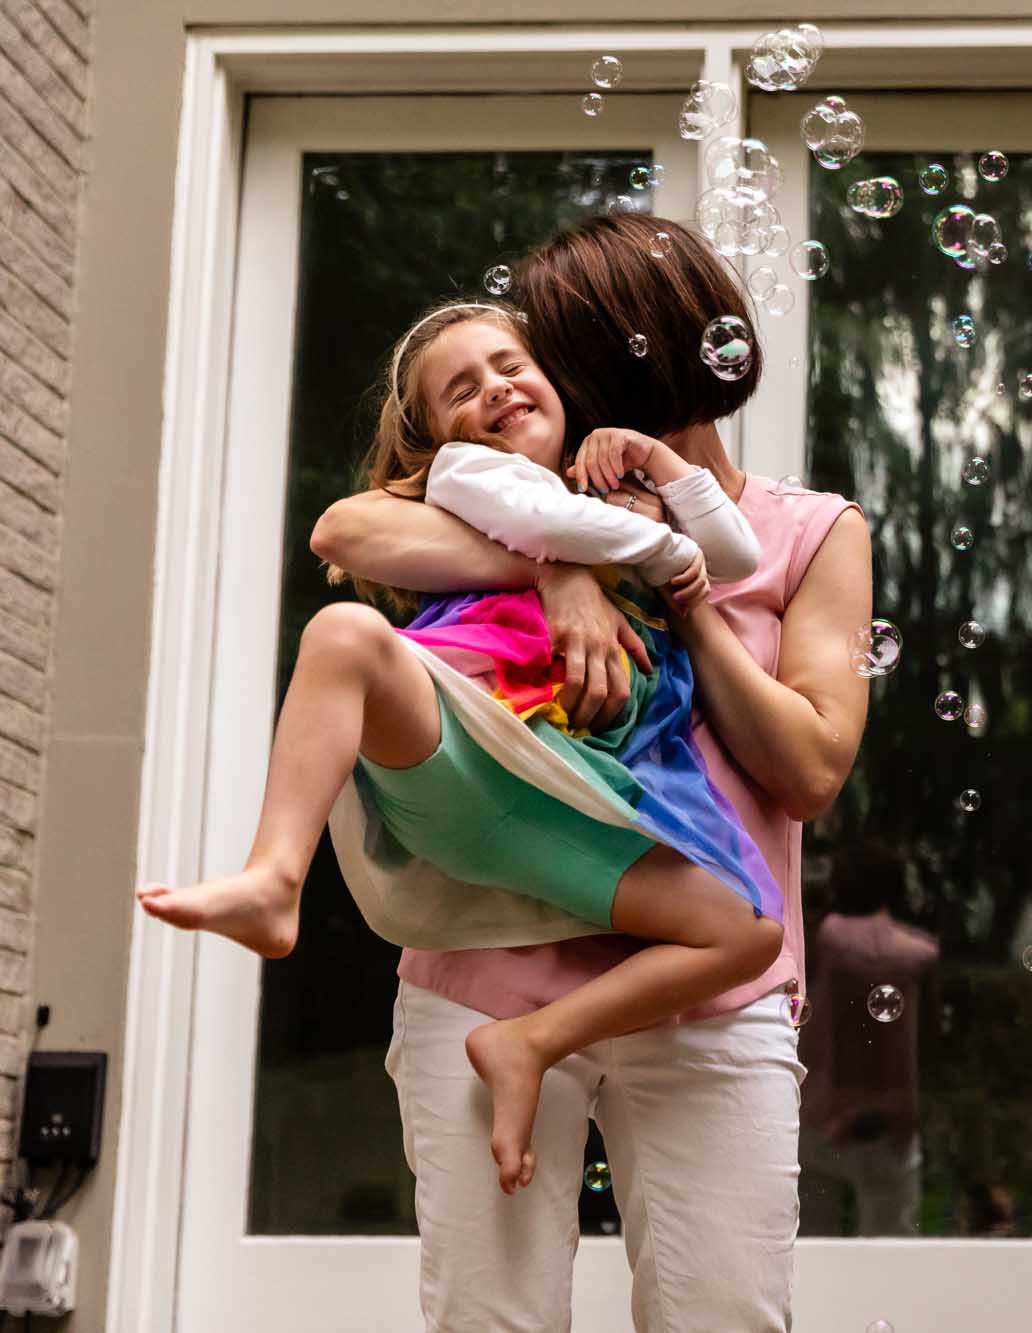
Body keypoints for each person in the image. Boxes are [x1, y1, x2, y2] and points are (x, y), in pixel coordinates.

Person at [310, 212, 870, 1332]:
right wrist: (561, 550)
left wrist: (683, 605)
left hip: (710, 995)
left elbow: (807, 768)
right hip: (486, 970)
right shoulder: (515, 493)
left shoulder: (804, 532)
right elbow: (350, 533)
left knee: (726, 1316)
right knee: (489, 1317)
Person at [138, 298, 790, 1197]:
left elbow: (735, 556)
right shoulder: (469, 476)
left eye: (510, 364)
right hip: (470, 742)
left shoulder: (606, 491)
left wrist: (661, 464)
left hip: (572, 801)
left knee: (748, 933)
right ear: (436, 433)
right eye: (461, 388)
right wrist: (621, 550)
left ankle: (530, 1038)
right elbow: (566, 530)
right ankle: (274, 878)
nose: (496, 389)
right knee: (342, 635)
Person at [798, 842, 939, 1236]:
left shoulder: (827, 937)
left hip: (816, 1116)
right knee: (892, 1248)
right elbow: (927, 1036)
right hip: (891, 1124)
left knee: (808, 1248)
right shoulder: (921, 953)